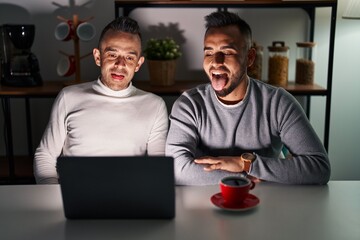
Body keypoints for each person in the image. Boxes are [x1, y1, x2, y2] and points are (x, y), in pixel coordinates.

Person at [165, 11, 330, 185]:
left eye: (227, 52)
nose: (216, 61)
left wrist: (246, 163)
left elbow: (319, 168)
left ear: (250, 58)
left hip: (264, 202)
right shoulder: (189, 104)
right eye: (209, 53)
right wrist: (243, 176)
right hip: (204, 203)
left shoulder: (278, 102)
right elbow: (175, 169)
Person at [34, 17, 169, 184]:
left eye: (129, 58)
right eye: (112, 55)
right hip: (75, 196)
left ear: (138, 64)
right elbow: (46, 155)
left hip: (130, 198)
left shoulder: (154, 105)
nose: (120, 65)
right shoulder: (68, 97)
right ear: (98, 57)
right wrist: (55, 196)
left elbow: (158, 166)